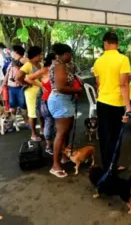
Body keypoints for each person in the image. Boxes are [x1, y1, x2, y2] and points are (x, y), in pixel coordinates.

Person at [93, 32, 131, 173]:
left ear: (105, 43)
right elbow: (123, 84)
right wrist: (128, 106)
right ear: (117, 43)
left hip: (102, 102)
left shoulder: (98, 61)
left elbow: (98, 83)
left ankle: (107, 167)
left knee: (104, 136)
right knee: (115, 137)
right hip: (116, 104)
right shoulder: (123, 59)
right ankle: (112, 167)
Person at [48, 43, 83, 178]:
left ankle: (64, 156)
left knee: (65, 131)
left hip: (64, 100)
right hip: (60, 100)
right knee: (61, 133)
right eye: (70, 54)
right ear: (65, 54)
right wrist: (77, 90)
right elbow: (61, 87)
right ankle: (55, 165)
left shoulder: (62, 65)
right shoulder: (58, 66)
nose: (71, 57)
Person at [28, 53, 55, 155]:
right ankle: (49, 145)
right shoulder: (45, 70)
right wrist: (41, 85)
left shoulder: (60, 70)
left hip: (58, 101)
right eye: (56, 60)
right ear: (52, 60)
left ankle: (58, 145)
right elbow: (28, 78)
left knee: (58, 124)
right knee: (49, 122)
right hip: (46, 100)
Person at [16, 46, 43, 141]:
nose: (41, 55)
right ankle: (33, 134)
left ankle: (42, 130)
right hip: (32, 92)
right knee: (32, 114)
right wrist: (26, 83)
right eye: (40, 54)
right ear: (35, 55)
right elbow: (18, 76)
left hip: (41, 91)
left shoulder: (40, 64)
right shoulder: (28, 65)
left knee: (41, 111)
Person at [1, 45, 28, 125]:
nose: (11, 52)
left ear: (16, 52)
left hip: (20, 87)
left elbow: (29, 62)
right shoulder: (11, 62)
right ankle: (11, 124)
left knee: (23, 106)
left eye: (13, 51)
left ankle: (27, 123)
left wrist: (20, 59)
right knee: (12, 107)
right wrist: (3, 85)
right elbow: (7, 74)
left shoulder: (23, 60)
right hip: (11, 88)